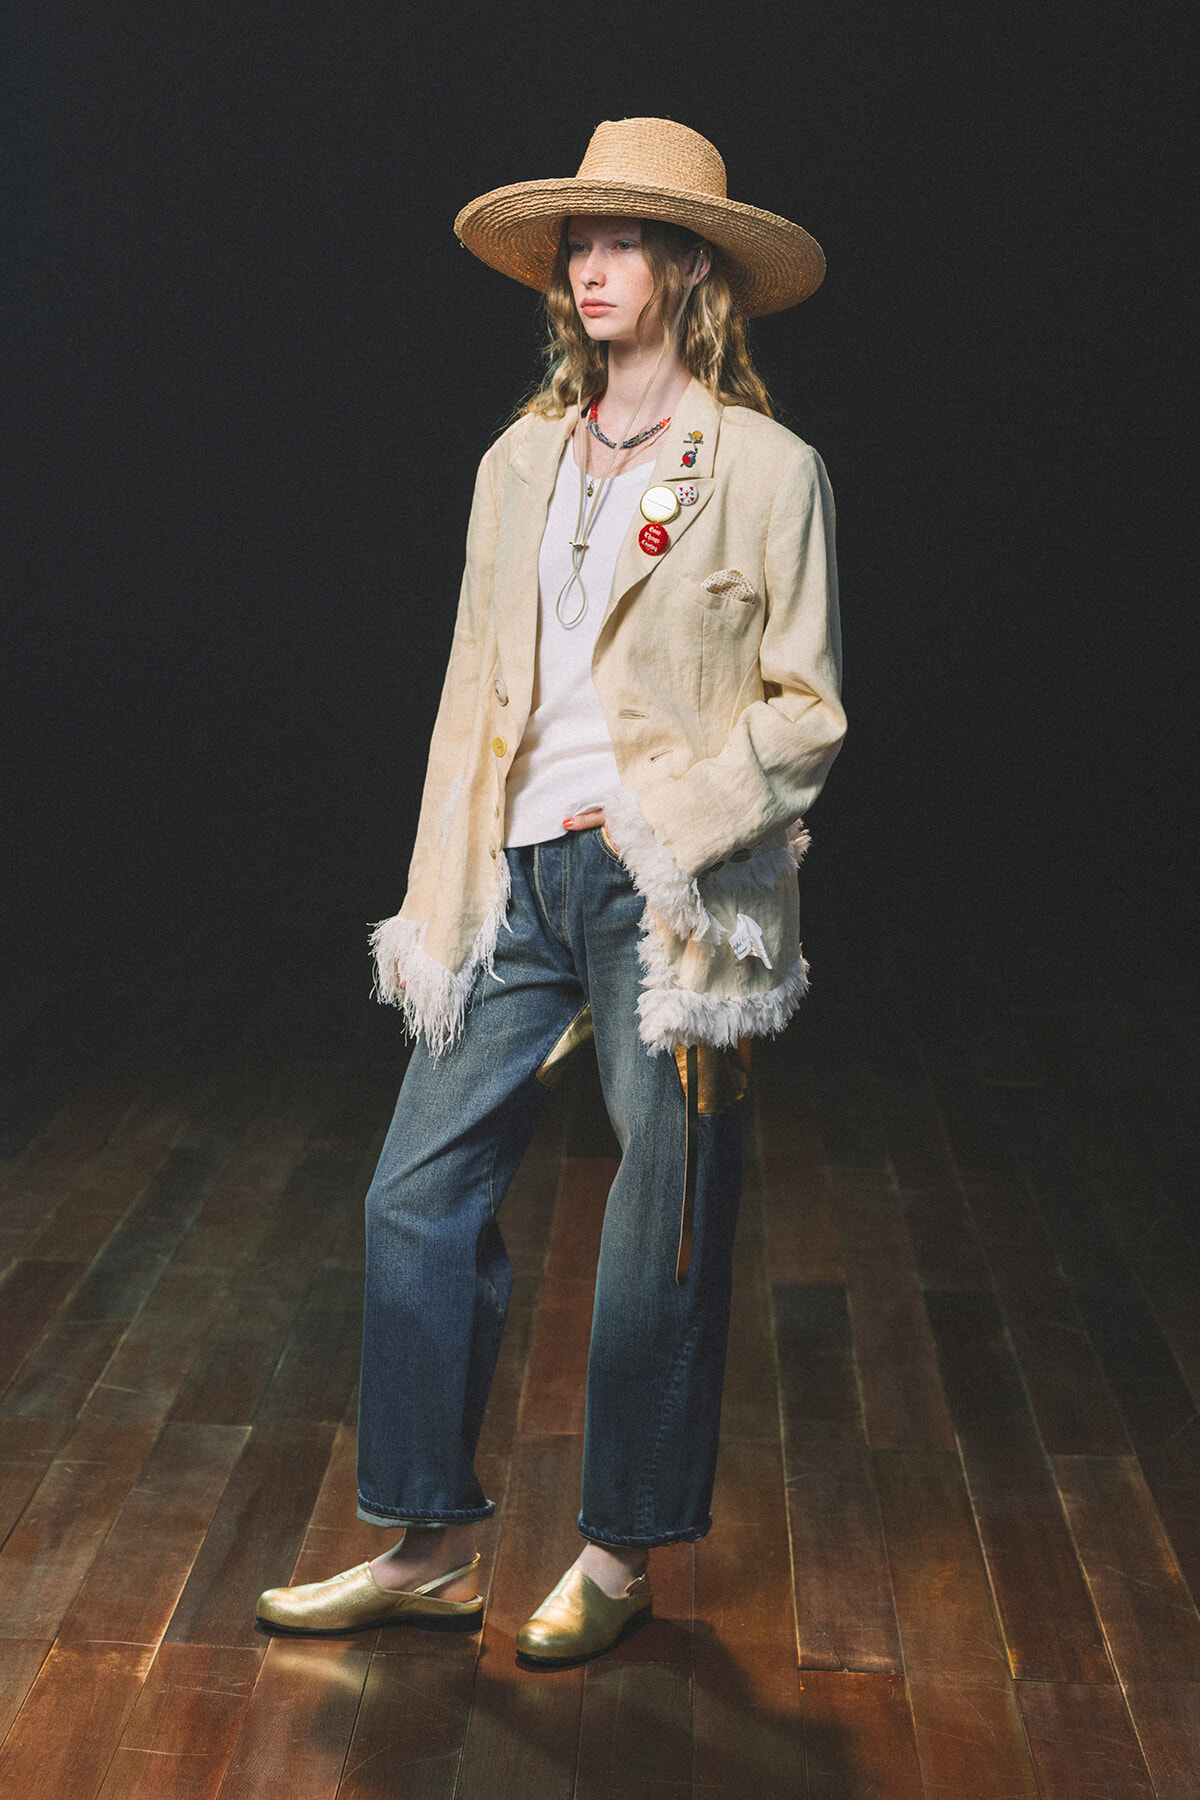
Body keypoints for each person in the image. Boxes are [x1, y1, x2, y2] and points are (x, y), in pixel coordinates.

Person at [257, 116, 844, 1663]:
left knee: (663, 1218)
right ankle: (430, 1543)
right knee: (415, 1196)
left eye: (626, 240)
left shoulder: (770, 472)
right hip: (511, 876)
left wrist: (664, 820)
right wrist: (443, 876)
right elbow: (472, 690)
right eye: (577, 244)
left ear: (690, 267)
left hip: (664, 890)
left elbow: (807, 709)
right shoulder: (517, 461)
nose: (593, 267)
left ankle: (620, 1550)